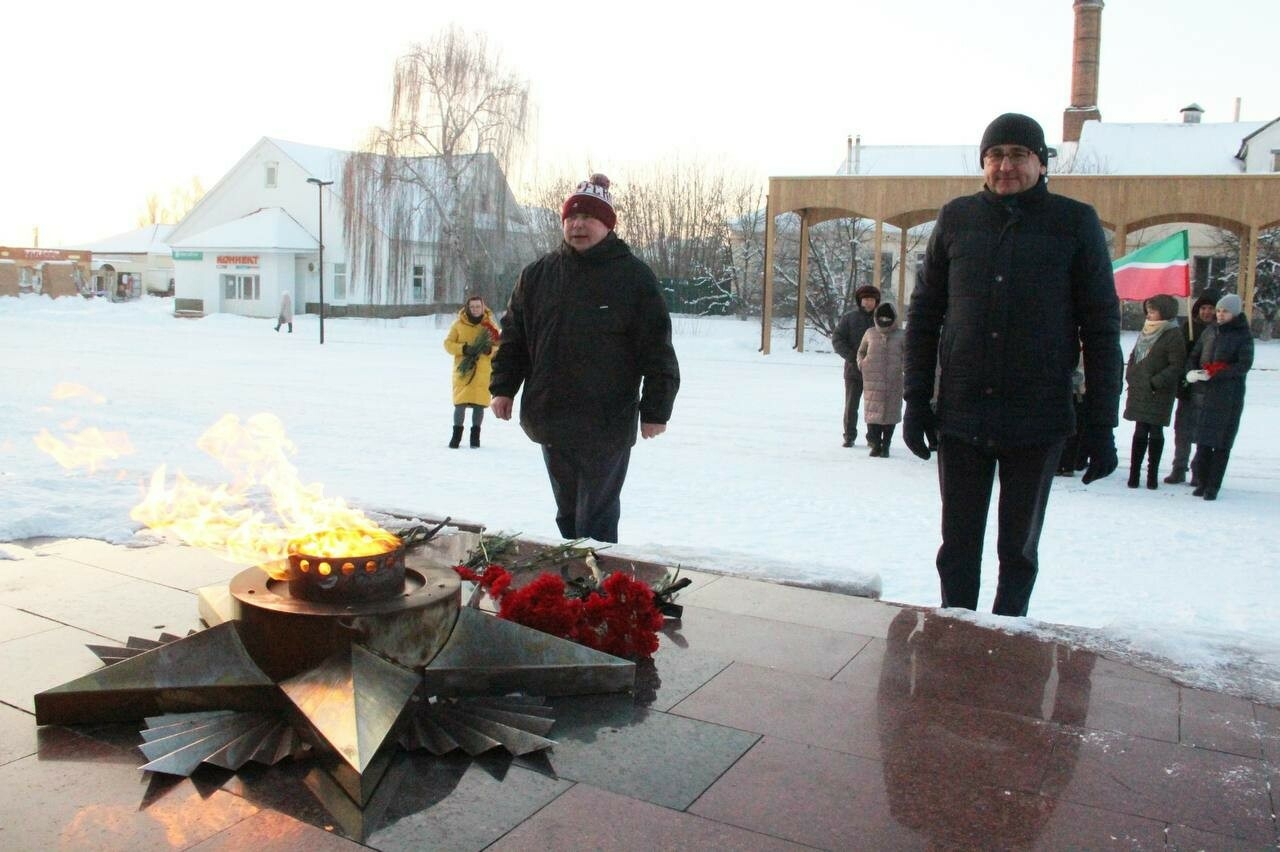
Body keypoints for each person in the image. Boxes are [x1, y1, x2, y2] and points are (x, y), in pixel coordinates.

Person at [902, 113, 1122, 617]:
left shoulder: (1075, 222)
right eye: (995, 155)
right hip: (961, 414)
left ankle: (1007, 642)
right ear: (982, 164)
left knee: (1017, 550)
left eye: (1018, 155)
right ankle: (955, 634)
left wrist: (1101, 423)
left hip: (1038, 418)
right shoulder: (956, 218)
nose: (1006, 166)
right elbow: (925, 317)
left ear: (1041, 163)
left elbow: (1101, 329)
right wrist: (916, 401)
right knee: (957, 547)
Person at [489, 174, 680, 543]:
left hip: (605, 420)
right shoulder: (538, 275)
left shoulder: (633, 278)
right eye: (571, 218)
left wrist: (656, 409)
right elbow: (515, 338)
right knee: (568, 511)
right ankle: (573, 581)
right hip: (552, 416)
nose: (578, 225)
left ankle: (597, 588)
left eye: (589, 217)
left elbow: (657, 349)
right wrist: (503, 388)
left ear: (607, 225)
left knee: (598, 515)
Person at [1185, 293, 1253, 500]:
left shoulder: (1243, 335)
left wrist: (1217, 373)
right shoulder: (1210, 331)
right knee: (1204, 440)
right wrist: (1193, 371)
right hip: (1206, 394)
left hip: (1228, 396)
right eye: (1219, 310)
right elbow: (1195, 355)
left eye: (1225, 311)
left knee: (1221, 442)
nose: (1221, 314)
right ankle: (1202, 481)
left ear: (1235, 313)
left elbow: (1243, 365)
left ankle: (1213, 485)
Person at [1122, 294, 1187, 489]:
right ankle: (1134, 475)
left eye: (1153, 310)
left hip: (1158, 391)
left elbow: (1176, 365)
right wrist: (1131, 374)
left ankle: (1152, 476)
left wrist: (1156, 382)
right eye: (1148, 310)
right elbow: (1135, 354)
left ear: (1164, 312)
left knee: (1155, 430)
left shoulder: (1173, 333)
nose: (1149, 314)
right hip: (1140, 387)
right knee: (1139, 429)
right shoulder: (1147, 329)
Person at [1164, 291, 1220, 484]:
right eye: (1203, 308)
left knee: (1203, 431)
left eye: (1211, 308)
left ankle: (1198, 470)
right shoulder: (1189, 326)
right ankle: (1179, 467)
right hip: (1188, 387)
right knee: (1183, 430)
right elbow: (1180, 356)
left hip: (1210, 389)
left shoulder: (1219, 330)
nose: (1207, 312)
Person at [443, 294, 501, 448]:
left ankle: (475, 438)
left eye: (478, 306)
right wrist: (463, 349)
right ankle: (456, 437)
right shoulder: (458, 325)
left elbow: (499, 347)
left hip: (482, 370)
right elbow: (448, 344)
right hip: (463, 370)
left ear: (483, 308)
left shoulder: (491, 326)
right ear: (468, 308)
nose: (475, 309)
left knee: (479, 405)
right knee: (460, 404)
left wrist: (490, 349)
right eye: (472, 307)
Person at [831, 285, 881, 447]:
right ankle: (849, 435)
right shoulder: (849, 318)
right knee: (851, 405)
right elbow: (837, 339)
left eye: (871, 300)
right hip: (853, 370)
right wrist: (852, 357)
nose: (868, 302)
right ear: (860, 301)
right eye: (865, 299)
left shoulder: (881, 319)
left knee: (874, 406)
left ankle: (873, 438)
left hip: (875, 371)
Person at [856, 301, 904, 457]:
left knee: (891, 414)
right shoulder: (870, 333)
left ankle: (886, 445)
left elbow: (909, 356)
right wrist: (862, 364)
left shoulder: (902, 335)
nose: (884, 321)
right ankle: (875, 444)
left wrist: (903, 369)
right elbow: (861, 351)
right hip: (872, 381)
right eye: (881, 317)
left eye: (887, 318)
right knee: (872, 413)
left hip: (894, 380)